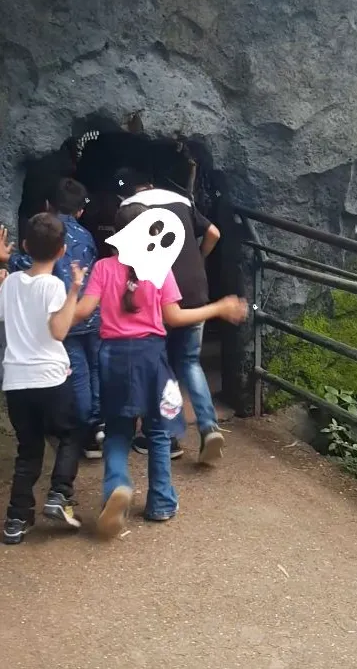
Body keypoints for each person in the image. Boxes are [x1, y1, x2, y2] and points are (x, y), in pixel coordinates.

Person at [72, 202, 247, 539]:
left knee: (119, 431)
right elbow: (175, 318)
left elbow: (82, 312)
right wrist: (219, 307)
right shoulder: (160, 269)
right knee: (157, 431)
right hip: (152, 358)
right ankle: (162, 501)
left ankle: (117, 488)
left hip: (113, 359)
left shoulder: (103, 268)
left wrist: (62, 301)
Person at [118, 170, 223, 463]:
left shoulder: (129, 208)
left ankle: (165, 435)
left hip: (159, 292)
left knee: (159, 364)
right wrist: (200, 257)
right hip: (195, 289)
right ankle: (208, 426)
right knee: (189, 361)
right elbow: (214, 233)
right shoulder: (181, 200)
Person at [0, 213, 85, 545]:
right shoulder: (54, 285)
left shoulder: (10, 284)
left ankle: (16, 519)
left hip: (17, 382)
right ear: (62, 251)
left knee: (29, 449)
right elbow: (59, 330)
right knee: (71, 433)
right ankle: (59, 494)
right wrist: (75, 289)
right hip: (50, 377)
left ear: (24, 246)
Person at [9, 178, 103, 459]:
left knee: (79, 377)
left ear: (47, 205)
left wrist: (8, 260)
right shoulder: (86, 236)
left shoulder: (46, 235)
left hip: (66, 319)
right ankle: (100, 424)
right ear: (80, 211)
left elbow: (27, 266)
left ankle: (86, 430)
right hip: (92, 314)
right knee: (96, 369)